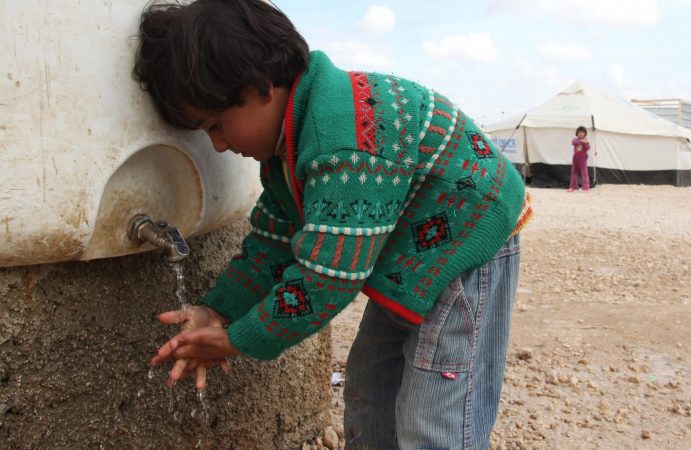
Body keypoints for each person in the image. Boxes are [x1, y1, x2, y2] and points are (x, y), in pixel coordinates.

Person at [134, 0, 533, 448]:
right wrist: (218, 309)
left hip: (467, 239)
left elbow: (326, 278)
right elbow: (272, 241)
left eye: (217, 126)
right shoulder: (290, 145)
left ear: (261, 85)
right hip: (409, 248)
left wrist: (235, 338)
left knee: (434, 409)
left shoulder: (342, 144)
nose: (220, 145)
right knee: (369, 385)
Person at [569, 125, 591, 192]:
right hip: (575, 158)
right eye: (579, 132)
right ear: (577, 133)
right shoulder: (575, 140)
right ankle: (573, 187)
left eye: (582, 133)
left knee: (584, 172)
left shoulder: (586, 141)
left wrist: (585, 143)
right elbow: (573, 142)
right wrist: (582, 141)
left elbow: (588, 148)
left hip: (583, 158)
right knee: (574, 172)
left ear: (585, 134)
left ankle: (586, 187)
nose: (581, 134)